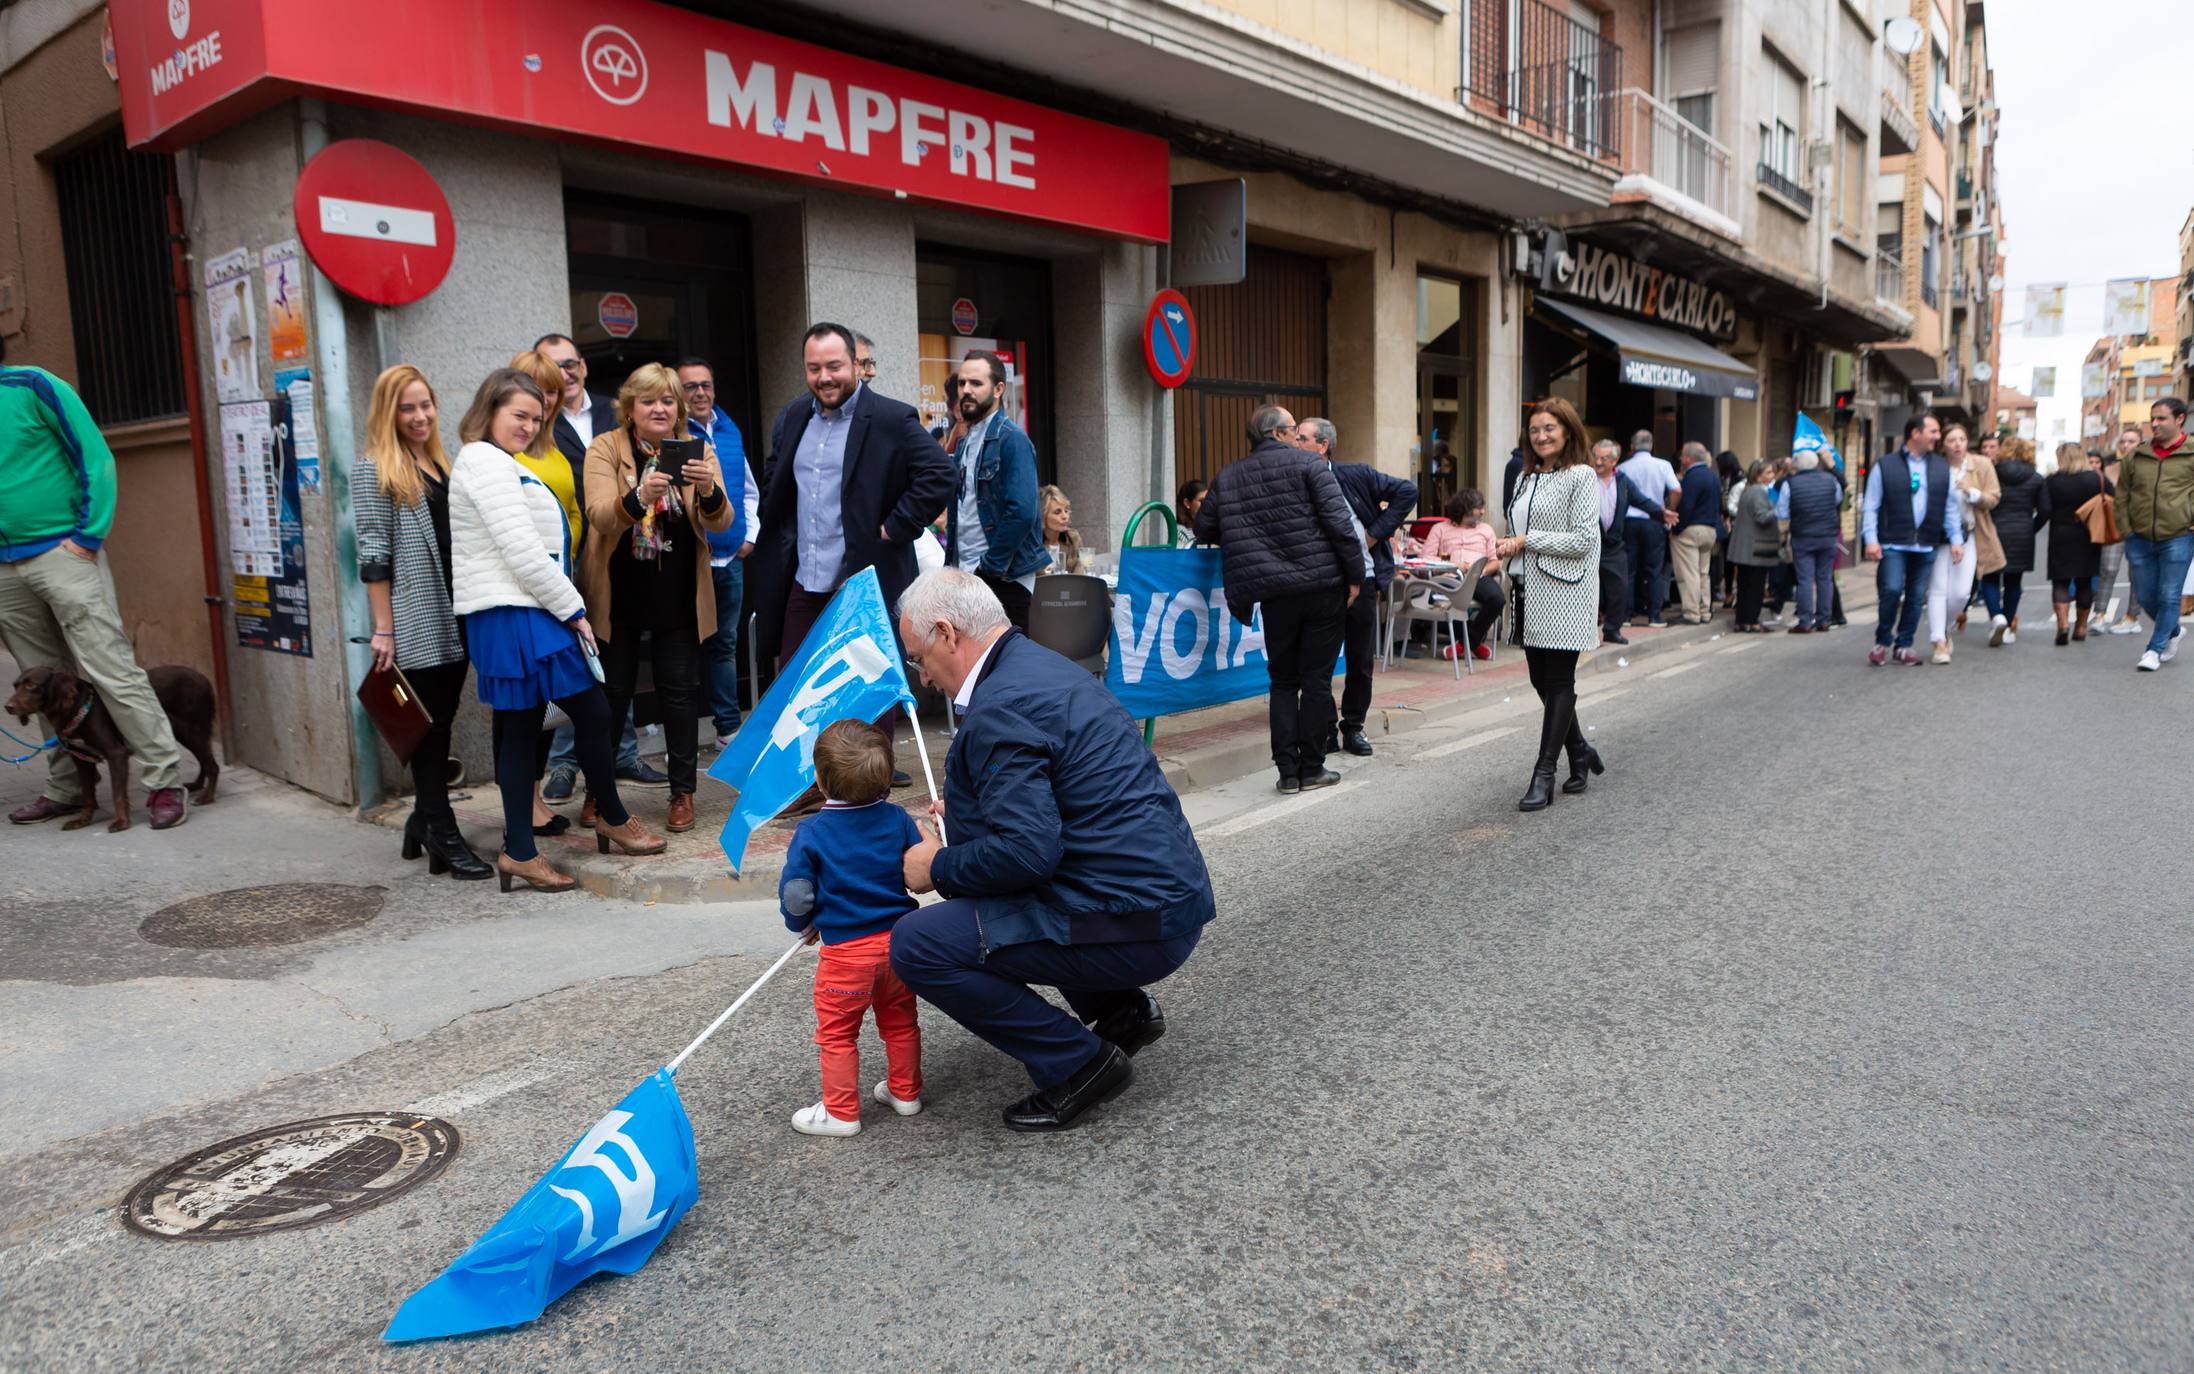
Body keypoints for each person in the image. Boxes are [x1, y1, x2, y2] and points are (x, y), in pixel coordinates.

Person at [888, 570, 1216, 1132]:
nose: (923, 678)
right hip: (1165, 898)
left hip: (1136, 918)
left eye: (919, 658)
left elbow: (1028, 854)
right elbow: (1060, 808)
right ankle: (1121, 1011)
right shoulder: (1040, 666)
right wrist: (970, 819)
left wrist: (937, 866)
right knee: (1015, 896)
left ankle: (1081, 1064)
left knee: (918, 945)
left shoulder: (999, 705)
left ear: (947, 633)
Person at [447, 368, 664, 892]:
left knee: (532, 724)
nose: (527, 425)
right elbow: (524, 552)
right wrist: (574, 609)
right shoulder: (484, 460)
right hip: (516, 610)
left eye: (535, 417)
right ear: (489, 410)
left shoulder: (498, 461)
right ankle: (595, 820)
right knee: (588, 709)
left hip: (519, 609)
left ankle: (525, 847)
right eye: (517, 415)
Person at [0, 337, 192, 829]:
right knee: (37, 680)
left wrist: (87, 536)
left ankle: (164, 781)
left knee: (109, 666)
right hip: (5, 568)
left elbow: (95, 456)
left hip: (62, 551)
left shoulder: (32, 385)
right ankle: (66, 787)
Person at [751, 322, 957, 674]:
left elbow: (941, 473)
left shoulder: (890, 418)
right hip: (805, 584)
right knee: (798, 696)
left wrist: (894, 527)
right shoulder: (795, 416)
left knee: (867, 701)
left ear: (855, 365)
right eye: (814, 369)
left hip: (864, 584)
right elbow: (777, 480)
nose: (824, 377)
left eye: (834, 366)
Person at [580, 364, 734, 835]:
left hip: (677, 591)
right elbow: (600, 516)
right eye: (649, 401)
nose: (660, 409)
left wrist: (707, 489)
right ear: (630, 409)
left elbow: (723, 521)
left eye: (668, 401)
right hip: (619, 590)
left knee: (680, 696)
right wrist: (638, 495)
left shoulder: (698, 449)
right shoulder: (605, 447)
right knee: (611, 695)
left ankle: (682, 791)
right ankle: (598, 793)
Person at [352, 365, 488, 880]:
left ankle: (421, 818)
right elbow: (374, 554)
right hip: (416, 615)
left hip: (457, 610)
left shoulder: (439, 464)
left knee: (442, 721)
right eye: (407, 407)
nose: (419, 415)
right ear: (389, 413)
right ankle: (442, 831)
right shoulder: (373, 469)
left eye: (425, 405)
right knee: (428, 729)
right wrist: (383, 628)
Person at [1193, 405, 1359, 793]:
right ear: (1281, 433)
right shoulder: (1310, 466)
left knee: (1282, 681)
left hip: (1273, 594)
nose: (1297, 435)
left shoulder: (1229, 476)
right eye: (1293, 429)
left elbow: (1204, 527)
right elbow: (1340, 525)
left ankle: (1287, 772)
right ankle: (1313, 767)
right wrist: (1355, 577)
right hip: (1321, 587)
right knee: (1316, 680)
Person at [778, 719, 924, 1137]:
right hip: (900, 943)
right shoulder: (897, 818)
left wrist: (802, 925)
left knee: (838, 1034)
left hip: (846, 955)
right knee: (900, 1020)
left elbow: (797, 894)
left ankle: (841, 1112)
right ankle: (905, 1092)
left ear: (820, 781)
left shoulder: (813, 831)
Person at [534, 333, 655, 799]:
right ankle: (564, 765)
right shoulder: (538, 422)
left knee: (613, 658)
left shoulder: (613, 410)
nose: (562, 374)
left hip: (622, 550)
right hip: (570, 556)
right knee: (579, 660)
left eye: (568, 364)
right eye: (551, 367)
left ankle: (623, 755)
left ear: (583, 366)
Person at [1495, 398, 1602, 811]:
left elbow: (1583, 541)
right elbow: (1516, 528)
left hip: (1566, 595)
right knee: (1541, 681)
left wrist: (1526, 541)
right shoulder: (1525, 477)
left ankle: (1544, 774)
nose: (1540, 436)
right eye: (1535, 430)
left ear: (1568, 432)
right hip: (1527, 592)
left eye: (1549, 429)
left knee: (1559, 683)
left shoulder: (1581, 476)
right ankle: (1580, 751)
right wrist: (1501, 554)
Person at [1298, 417, 1418, 753]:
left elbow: (1407, 491)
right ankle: (1324, 730)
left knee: (1360, 659)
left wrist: (1374, 533)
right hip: (1320, 583)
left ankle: (1353, 727)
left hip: (1362, 580)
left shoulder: (1354, 475)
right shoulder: (1295, 481)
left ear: (1323, 445)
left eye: (1302, 438)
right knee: (1317, 663)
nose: (1295, 444)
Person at [676, 358, 762, 750]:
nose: (698, 393)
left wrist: (750, 537)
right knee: (684, 648)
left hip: (731, 559)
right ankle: (685, 731)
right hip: (692, 562)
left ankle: (727, 728)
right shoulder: (675, 432)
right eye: (690, 386)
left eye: (705, 385)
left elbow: (747, 489)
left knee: (724, 645)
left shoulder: (729, 429)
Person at [943, 351, 1046, 629]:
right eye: (962, 383)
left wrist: (987, 568)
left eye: (976, 383)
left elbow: (1022, 512)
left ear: (999, 389)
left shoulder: (1012, 440)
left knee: (1004, 668)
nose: (966, 390)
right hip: (968, 578)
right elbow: (963, 512)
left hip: (1003, 579)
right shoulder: (965, 441)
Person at [1863, 413, 1966, 666]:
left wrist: (1956, 539)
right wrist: (1871, 539)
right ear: (1915, 433)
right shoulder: (1885, 465)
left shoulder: (1941, 467)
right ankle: (1883, 640)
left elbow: (1950, 507)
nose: (1937, 437)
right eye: (1933, 431)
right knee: (1891, 589)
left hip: (1926, 542)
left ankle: (1904, 645)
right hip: (1892, 541)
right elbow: (1871, 505)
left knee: (1916, 595)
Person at [2116, 398, 2194, 672]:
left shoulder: (2191, 451)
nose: (2155, 424)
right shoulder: (2137, 455)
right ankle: (2173, 630)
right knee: (2147, 596)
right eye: (2153, 418)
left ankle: (2154, 649)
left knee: (2169, 595)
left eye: (2161, 418)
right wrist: (2126, 529)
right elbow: (2122, 494)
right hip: (2139, 537)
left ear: (2179, 419)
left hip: (2179, 535)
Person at [1922, 423, 2001, 663]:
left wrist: (1972, 491)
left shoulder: (1982, 465)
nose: (1958, 444)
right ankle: (1938, 642)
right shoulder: (1934, 467)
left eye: (1962, 439)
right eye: (1952, 440)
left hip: (1970, 535)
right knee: (1937, 590)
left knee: (1961, 592)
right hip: (1938, 536)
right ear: (1943, 445)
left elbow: (1994, 497)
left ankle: (1944, 627)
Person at [1411, 489, 1506, 658]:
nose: (1483, 511)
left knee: (1497, 599)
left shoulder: (1486, 529)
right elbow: (1425, 557)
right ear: (1466, 508)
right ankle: (1474, 643)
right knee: (1434, 602)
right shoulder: (1440, 529)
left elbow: (1495, 561)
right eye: (1479, 507)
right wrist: (1453, 566)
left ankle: (1466, 643)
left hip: (1478, 576)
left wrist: (1481, 570)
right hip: (1448, 577)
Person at [1588, 439, 1659, 645]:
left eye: (1604, 458)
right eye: (1596, 457)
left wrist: (1662, 513)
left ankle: (1612, 629)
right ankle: (1588, 632)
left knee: (1620, 588)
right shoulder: (1586, 478)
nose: (1598, 461)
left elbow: (1642, 501)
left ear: (1615, 461)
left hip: (1614, 544)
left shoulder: (1624, 482)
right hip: (1590, 544)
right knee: (1589, 591)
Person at [2038, 442, 2108, 648]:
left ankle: (2062, 626)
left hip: (2061, 535)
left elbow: (2044, 510)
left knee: (2060, 582)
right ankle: (2081, 627)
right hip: (2089, 535)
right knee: (2085, 581)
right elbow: (2112, 500)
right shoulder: (2096, 478)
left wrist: (2030, 530)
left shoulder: (2051, 481)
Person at [1981, 438, 2043, 647]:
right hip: (2022, 533)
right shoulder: (2035, 478)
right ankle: (2006, 626)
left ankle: (1996, 617)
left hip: (1994, 531)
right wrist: (2030, 528)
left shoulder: (1993, 473)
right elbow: (2046, 510)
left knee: (1989, 578)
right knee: (2013, 583)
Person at [1616, 430, 1679, 627]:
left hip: (1629, 521)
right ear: (1651, 446)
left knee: (1629, 569)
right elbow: (1677, 489)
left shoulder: (1622, 467)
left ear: (1632, 447)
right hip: (1654, 520)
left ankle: (1626, 615)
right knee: (1654, 570)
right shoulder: (1663, 465)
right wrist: (1668, 510)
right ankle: (1654, 616)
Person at [1778, 450, 1846, 634]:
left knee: (1805, 579)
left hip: (1803, 536)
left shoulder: (1790, 484)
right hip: (1828, 535)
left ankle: (1805, 621)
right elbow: (1837, 499)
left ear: (1797, 466)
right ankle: (1824, 620)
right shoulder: (1831, 481)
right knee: (1825, 578)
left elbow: (1782, 512)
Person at [2091, 428, 2143, 635]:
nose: (2126, 445)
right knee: (2108, 570)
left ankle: (2132, 616)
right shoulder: (2110, 469)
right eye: (2123, 441)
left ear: (2140, 444)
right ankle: (2099, 615)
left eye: (2131, 441)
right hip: (2114, 527)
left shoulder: (2147, 468)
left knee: (2136, 574)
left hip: (2140, 527)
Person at [1669, 442, 1725, 624]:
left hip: (1691, 530)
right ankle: (1704, 610)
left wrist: (1676, 528)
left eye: (1683, 456)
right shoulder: (1713, 476)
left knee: (1688, 573)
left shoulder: (1692, 477)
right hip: (1710, 529)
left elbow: (1686, 507)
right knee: (1703, 573)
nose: (1681, 459)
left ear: (1689, 458)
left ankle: (1692, 612)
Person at [1728, 460, 1782, 633]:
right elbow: (1762, 517)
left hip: (1746, 547)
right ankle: (1752, 621)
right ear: (1758, 475)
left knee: (1744, 585)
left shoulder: (1748, 490)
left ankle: (1742, 620)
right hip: (1755, 548)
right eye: (1768, 473)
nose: (1772, 476)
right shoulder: (1759, 492)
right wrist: (1778, 510)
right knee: (1755, 586)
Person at [1713, 449, 1744, 609]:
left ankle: (1734, 593)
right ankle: (1729, 593)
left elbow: (1730, 504)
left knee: (1735, 560)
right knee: (1728, 561)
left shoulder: (1740, 479)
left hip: (1736, 525)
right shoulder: (1725, 478)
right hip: (1727, 524)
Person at [1037, 484, 1084, 575]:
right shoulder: (1034, 543)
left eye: (1066, 511)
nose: (1065, 516)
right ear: (1043, 516)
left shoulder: (1073, 537)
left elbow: (1080, 572)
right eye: (1057, 512)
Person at [1174, 479, 1208, 547]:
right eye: (1201, 501)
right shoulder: (1180, 531)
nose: (1206, 504)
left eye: (1208, 500)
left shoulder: (1207, 526)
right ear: (1187, 503)